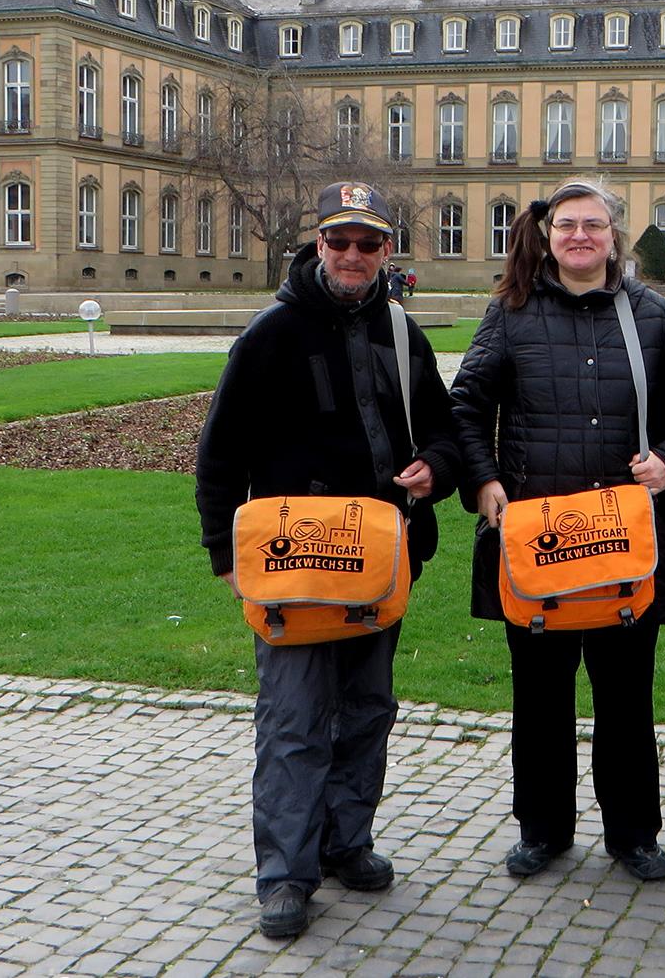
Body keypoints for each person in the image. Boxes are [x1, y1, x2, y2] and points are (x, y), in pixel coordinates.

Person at [195, 181, 462, 939]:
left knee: (368, 709)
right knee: (295, 717)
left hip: (379, 557)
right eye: (339, 240)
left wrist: (434, 469)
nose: (352, 254)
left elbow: (442, 429)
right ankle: (286, 872)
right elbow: (220, 452)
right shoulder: (273, 331)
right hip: (298, 563)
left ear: (386, 251)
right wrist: (224, 549)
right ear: (318, 244)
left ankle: (347, 840)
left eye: (368, 242)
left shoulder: (401, 329)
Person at [448, 178, 665, 882]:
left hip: (624, 541)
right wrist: (485, 481)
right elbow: (467, 406)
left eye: (593, 224)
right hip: (537, 537)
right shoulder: (511, 312)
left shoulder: (649, 313)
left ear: (615, 234)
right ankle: (544, 829)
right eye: (566, 225)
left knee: (625, 698)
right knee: (541, 700)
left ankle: (633, 833)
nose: (580, 236)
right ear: (548, 234)